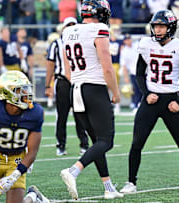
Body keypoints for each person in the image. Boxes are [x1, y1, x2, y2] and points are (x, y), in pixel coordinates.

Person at [120, 9, 179, 194]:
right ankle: (131, 182)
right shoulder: (146, 45)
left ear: (171, 27)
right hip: (151, 100)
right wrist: (146, 93)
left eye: (161, 26)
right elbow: (140, 74)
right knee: (137, 143)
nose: (157, 30)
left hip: (171, 101)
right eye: (155, 26)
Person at [60, 0, 123, 200]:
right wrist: (116, 91)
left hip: (75, 89)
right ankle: (74, 170)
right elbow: (107, 66)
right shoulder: (100, 28)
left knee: (97, 142)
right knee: (106, 141)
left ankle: (108, 187)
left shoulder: (68, 31)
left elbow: (68, 69)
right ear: (101, 12)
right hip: (93, 89)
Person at [0, 71, 49, 203]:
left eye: (27, 89)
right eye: (21, 90)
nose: (27, 94)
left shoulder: (35, 113)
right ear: (8, 93)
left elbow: (32, 152)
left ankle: (32, 197)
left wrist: (15, 175)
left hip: (17, 159)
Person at [45, 17, 89, 156]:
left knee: (80, 115)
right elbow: (50, 65)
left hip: (78, 82)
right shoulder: (57, 44)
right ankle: (61, 145)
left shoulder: (83, 42)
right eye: (68, 25)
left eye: (73, 25)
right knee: (62, 115)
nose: (71, 27)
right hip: (63, 82)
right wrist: (47, 85)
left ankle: (84, 144)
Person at [120, 33, 142, 112]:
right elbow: (124, 65)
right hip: (133, 72)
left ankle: (141, 104)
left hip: (142, 71)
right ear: (124, 41)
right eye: (126, 40)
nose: (128, 41)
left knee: (143, 89)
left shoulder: (137, 45)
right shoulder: (124, 51)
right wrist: (126, 77)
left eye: (129, 39)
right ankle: (136, 104)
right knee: (135, 89)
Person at [109, 24, 123, 114]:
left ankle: (117, 105)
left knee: (116, 85)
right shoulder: (106, 41)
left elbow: (122, 54)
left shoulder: (120, 42)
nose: (116, 32)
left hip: (116, 64)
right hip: (108, 64)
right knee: (106, 86)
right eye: (115, 30)